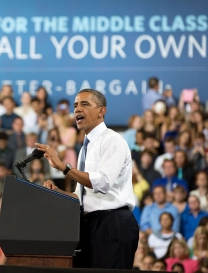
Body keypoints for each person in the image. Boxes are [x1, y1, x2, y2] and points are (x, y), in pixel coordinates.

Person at [36, 89, 139, 269]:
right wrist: (57, 193)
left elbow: (103, 182)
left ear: (101, 111)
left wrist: (63, 167)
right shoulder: (85, 148)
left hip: (113, 224)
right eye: (75, 105)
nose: (77, 109)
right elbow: (81, 197)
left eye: (85, 104)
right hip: (89, 226)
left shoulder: (112, 140)